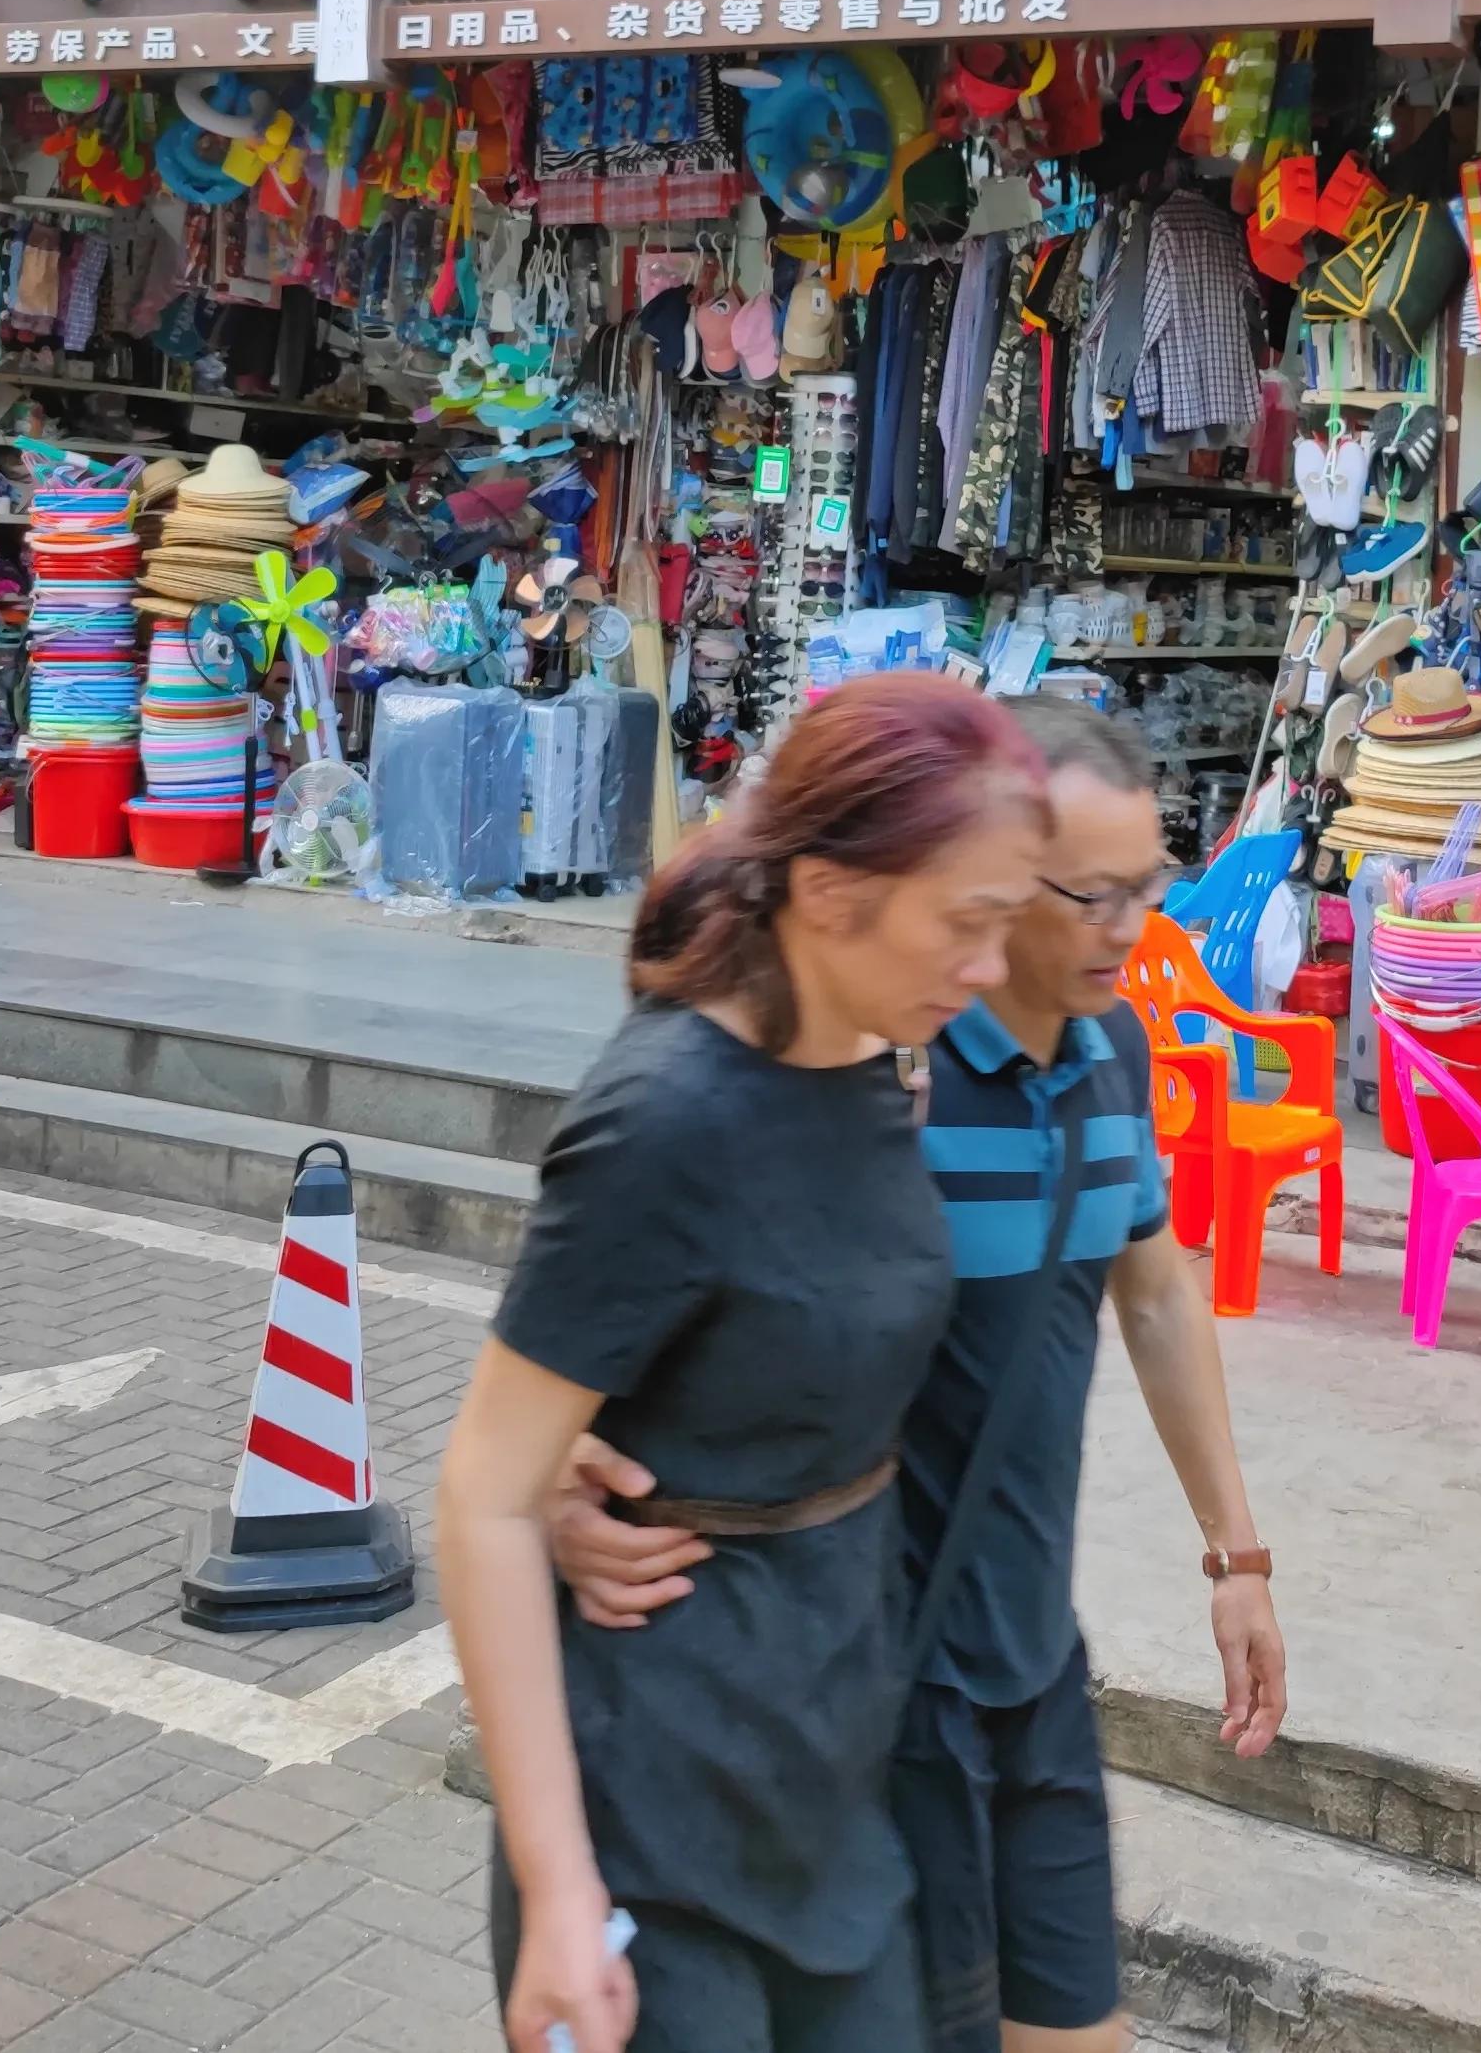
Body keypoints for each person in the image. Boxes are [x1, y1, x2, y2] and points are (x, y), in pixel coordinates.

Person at [553, 695, 1290, 2053]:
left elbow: (1160, 1292)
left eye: (1150, 889)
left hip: (1032, 1655)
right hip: (886, 1680)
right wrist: (560, 1473)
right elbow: (653, 1283)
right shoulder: (876, 1067)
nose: (1130, 931)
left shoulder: (1114, 1050)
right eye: (1090, 896)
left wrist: (1234, 1558)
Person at [438, 675, 1052, 2053]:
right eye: (967, 921)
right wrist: (556, 1892)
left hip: (833, 1774)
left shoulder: (877, 1064)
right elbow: (482, 1492)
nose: (989, 966)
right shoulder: (665, 1117)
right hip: (657, 1811)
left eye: (1008, 922)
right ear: (830, 892)